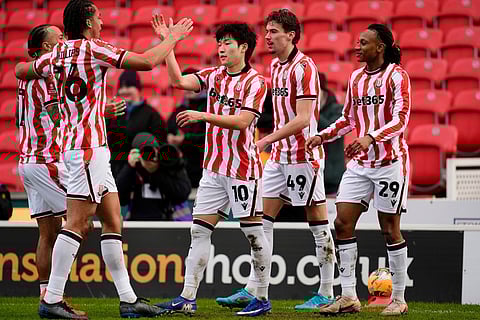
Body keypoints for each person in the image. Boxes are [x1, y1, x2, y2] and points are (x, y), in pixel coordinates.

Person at [15, 0, 193, 318]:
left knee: (112, 219)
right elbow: (148, 62)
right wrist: (173, 38)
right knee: (79, 222)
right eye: (97, 16)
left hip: (88, 149)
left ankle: (128, 299)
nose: (101, 21)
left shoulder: (55, 54)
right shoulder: (93, 48)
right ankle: (52, 299)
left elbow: (23, 70)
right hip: (85, 151)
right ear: (86, 21)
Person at [152, 18, 272, 317]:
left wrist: (203, 116)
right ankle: (187, 297)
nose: (221, 48)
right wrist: (169, 44)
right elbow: (179, 81)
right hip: (214, 170)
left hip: (243, 169)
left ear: (243, 47)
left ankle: (262, 297)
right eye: (219, 43)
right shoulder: (214, 76)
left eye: (227, 43)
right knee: (199, 232)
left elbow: (243, 121)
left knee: (254, 234)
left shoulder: (256, 82)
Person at [218, 9, 336, 312]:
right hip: (279, 158)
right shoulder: (275, 66)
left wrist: (267, 139)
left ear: (291, 35)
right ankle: (255, 290)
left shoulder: (305, 67)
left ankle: (326, 291)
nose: (267, 37)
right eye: (266, 31)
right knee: (260, 222)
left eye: (273, 31)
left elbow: (303, 118)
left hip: (303, 156)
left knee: (318, 224)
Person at [306, 24, 411, 316]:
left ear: (380, 48)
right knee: (341, 223)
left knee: (390, 229)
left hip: (390, 163)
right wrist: (322, 135)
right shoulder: (355, 78)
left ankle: (399, 299)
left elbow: (401, 120)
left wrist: (370, 137)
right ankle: (349, 296)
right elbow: (348, 119)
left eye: (363, 43)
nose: (357, 47)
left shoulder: (397, 76)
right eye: (357, 42)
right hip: (361, 165)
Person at [106, 69, 168, 179]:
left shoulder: (151, 114)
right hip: (115, 170)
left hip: (141, 172)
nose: (124, 90)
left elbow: (160, 142)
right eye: (121, 87)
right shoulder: (115, 113)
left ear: (138, 89)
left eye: (129, 86)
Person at [116, 132, 191, 220]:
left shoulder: (168, 164)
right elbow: (120, 199)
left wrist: (156, 171)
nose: (150, 155)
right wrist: (129, 167)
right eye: (146, 152)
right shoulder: (133, 168)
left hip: (169, 222)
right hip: (137, 222)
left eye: (153, 150)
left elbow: (182, 194)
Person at [166, 67, 207, 188]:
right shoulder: (179, 108)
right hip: (181, 169)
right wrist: (170, 136)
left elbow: (208, 137)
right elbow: (169, 127)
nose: (187, 89)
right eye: (185, 85)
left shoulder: (209, 107)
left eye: (191, 84)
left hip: (201, 168)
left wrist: (186, 139)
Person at [317, 72, 345, 195]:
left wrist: (311, 111)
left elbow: (331, 131)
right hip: (312, 177)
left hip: (332, 178)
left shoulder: (338, 109)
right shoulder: (303, 115)